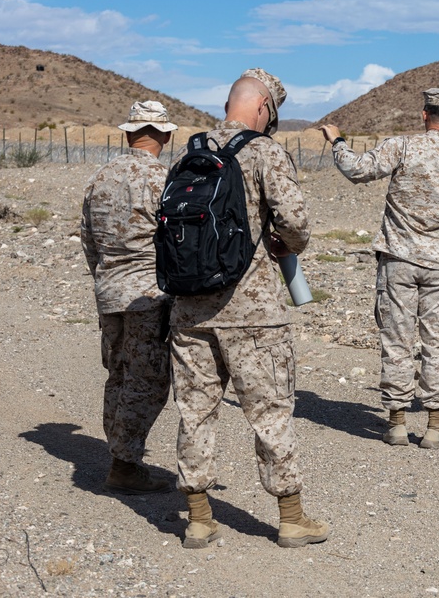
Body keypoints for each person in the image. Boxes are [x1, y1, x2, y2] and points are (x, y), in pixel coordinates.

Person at [169, 69, 329, 549]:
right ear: (262, 107)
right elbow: (296, 223)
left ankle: (198, 518)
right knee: (270, 412)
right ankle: (291, 518)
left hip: (190, 309)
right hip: (253, 310)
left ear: (228, 103)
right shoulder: (264, 151)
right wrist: (282, 245)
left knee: (195, 411)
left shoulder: (190, 152)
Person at [319, 88, 439, 450]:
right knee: (437, 343)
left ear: (424, 115)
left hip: (398, 261)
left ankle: (396, 423)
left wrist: (338, 141)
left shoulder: (403, 146)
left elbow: (357, 169)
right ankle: (436, 427)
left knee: (396, 340)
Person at [81, 100, 177, 495]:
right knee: (148, 379)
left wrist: (103, 277)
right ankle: (125, 464)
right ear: (168, 136)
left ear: (127, 134)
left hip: (109, 290)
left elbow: (88, 239)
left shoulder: (100, 176)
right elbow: (176, 240)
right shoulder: (165, 180)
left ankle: (120, 451)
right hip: (148, 294)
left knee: (118, 373)